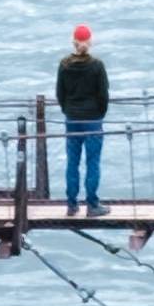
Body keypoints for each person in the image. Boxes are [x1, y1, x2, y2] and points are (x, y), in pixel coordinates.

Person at [55, 24, 111, 215]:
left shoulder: (64, 64)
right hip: (93, 118)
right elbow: (103, 94)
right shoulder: (97, 65)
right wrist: (100, 113)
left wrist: (68, 110)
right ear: (90, 41)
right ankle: (92, 205)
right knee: (93, 162)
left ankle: (71, 204)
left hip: (72, 118)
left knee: (73, 162)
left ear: (74, 42)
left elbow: (59, 93)